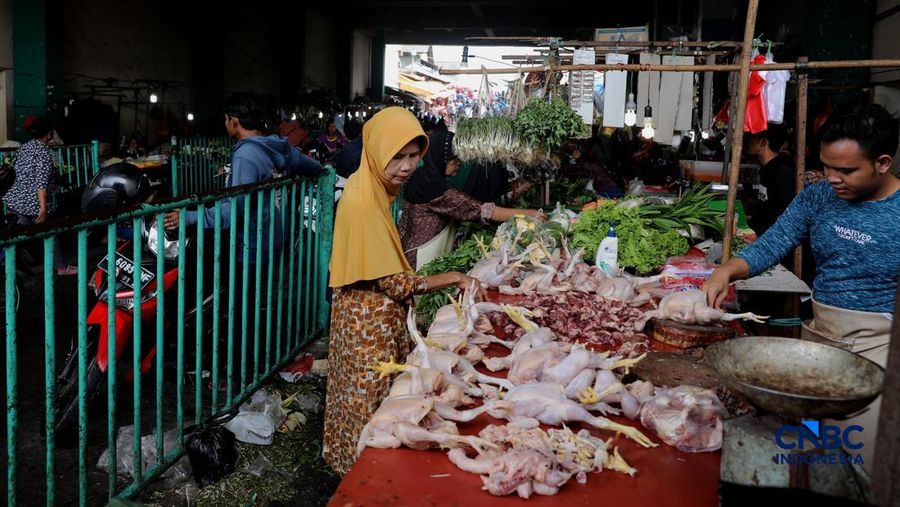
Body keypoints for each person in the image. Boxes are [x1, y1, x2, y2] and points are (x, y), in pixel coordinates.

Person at [702, 104, 900, 472]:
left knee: (861, 464)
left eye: (846, 170)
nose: (832, 178)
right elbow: (774, 241)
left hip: (882, 349)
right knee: (809, 456)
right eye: (826, 166)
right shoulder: (818, 196)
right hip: (821, 342)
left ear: (883, 163)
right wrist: (728, 270)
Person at [323, 106, 483, 475]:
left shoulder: (374, 189)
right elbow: (396, 283)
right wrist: (455, 277)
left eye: (414, 156)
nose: (407, 166)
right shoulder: (364, 202)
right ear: (378, 150)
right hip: (367, 323)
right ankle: (362, 480)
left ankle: (360, 472)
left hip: (368, 317)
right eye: (398, 156)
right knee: (373, 404)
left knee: (368, 399)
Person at [165, 96, 323, 260]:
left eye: (226, 119)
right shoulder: (279, 147)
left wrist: (189, 217)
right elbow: (316, 169)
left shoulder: (245, 156)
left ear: (234, 120)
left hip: (253, 246)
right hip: (277, 238)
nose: (225, 123)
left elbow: (234, 210)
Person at [398, 123, 544, 269]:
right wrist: (528, 214)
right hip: (421, 256)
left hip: (406, 247)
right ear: (441, 159)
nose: (459, 163)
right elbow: (485, 211)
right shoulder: (438, 190)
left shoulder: (422, 175)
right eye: (454, 159)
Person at [2, 117, 76, 275]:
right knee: (50, 233)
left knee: (17, 234)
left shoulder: (25, 147)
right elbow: (40, 183)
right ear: (49, 134)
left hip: (14, 198)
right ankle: (62, 267)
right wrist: (42, 208)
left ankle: (10, 263)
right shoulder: (43, 153)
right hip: (31, 203)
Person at [744, 123, 795, 235]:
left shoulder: (782, 171)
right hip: (759, 233)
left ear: (763, 142)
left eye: (753, 137)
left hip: (770, 239)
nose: (748, 141)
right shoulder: (766, 168)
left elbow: (788, 211)